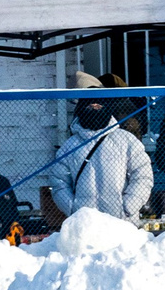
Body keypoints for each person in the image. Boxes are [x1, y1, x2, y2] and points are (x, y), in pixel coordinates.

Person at [50, 73, 153, 222]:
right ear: (81, 108)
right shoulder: (69, 146)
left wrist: (128, 207)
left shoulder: (127, 141)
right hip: (86, 226)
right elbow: (58, 182)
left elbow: (143, 176)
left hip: (122, 226)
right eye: (90, 105)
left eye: (99, 105)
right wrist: (73, 209)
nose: (95, 108)